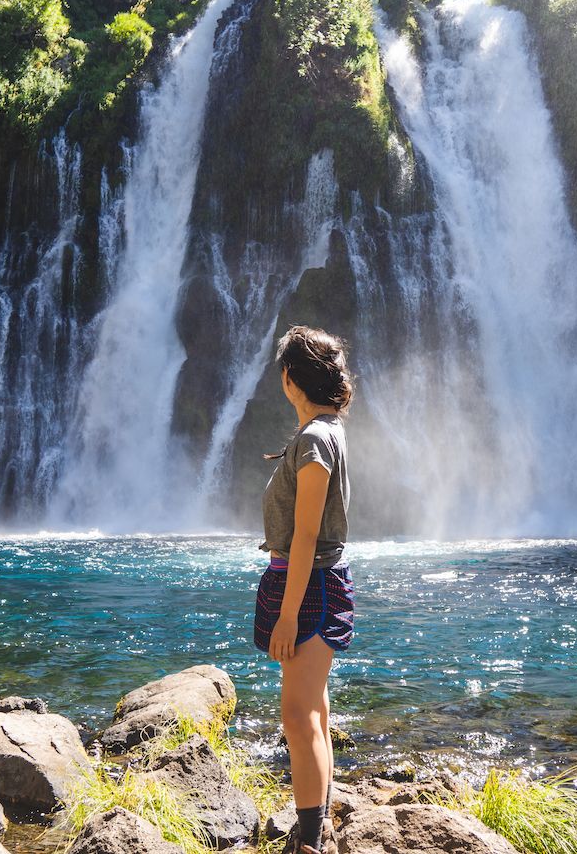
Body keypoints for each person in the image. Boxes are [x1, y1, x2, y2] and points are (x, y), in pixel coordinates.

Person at [253, 325, 356, 854]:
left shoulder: (315, 439)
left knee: (296, 714)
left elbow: (308, 534)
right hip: (314, 581)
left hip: (310, 584)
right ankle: (318, 827)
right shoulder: (326, 430)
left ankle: (310, 839)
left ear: (291, 379)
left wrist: (288, 613)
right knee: (312, 708)